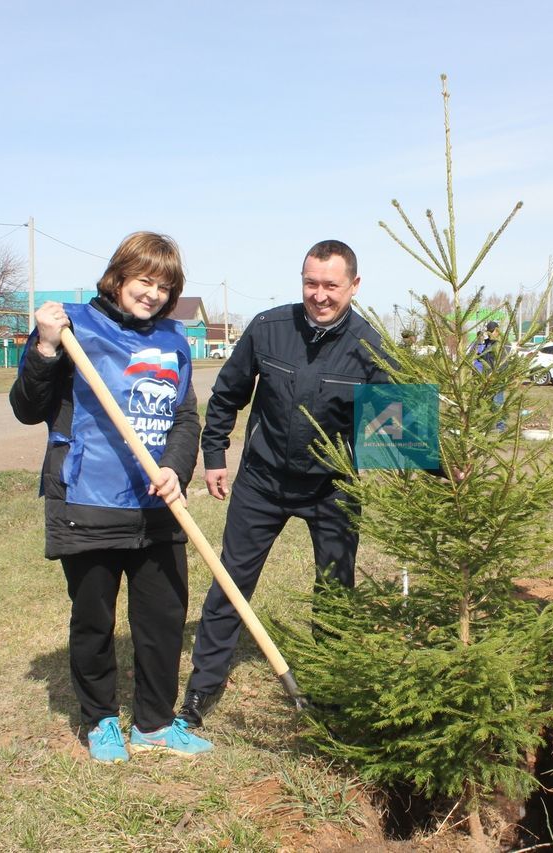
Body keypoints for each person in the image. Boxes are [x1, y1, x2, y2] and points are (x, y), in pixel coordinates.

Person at [9, 231, 212, 762]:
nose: (153, 294)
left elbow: (186, 417)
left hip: (157, 503)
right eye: (144, 281)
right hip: (89, 499)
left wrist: (175, 467)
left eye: (164, 287)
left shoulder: (173, 339)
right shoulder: (75, 327)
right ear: (119, 277)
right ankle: (100, 718)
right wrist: (47, 346)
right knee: (94, 616)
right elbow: (28, 409)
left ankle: (154, 722)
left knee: (164, 616)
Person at [182, 239, 387, 727]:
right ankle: (200, 692)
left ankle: (333, 693)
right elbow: (228, 393)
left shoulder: (372, 347)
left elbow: (402, 428)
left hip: (333, 489)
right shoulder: (269, 328)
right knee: (230, 583)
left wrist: (447, 468)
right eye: (310, 283)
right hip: (262, 481)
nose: (319, 295)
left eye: (331, 285)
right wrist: (215, 454)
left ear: (354, 286)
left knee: (336, 592)